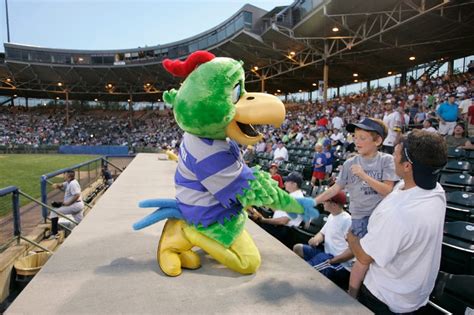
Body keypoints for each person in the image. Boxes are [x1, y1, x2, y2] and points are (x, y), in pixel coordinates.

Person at [347, 130, 447, 314]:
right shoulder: (437, 191)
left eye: (396, 153)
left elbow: (364, 258)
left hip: (384, 298)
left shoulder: (399, 214)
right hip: (414, 296)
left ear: (408, 166)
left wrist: (351, 238)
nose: (392, 156)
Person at [314, 118, 398, 296]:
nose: (356, 142)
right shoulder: (349, 163)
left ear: (378, 141)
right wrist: (314, 201)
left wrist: (363, 175)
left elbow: (388, 190)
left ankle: (362, 295)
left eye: (362, 137)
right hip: (359, 219)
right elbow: (336, 188)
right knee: (361, 261)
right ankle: (353, 296)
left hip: (380, 219)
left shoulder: (387, 160)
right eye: (355, 137)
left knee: (369, 262)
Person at [293, 191, 353, 286]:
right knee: (298, 248)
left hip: (339, 263)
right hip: (326, 253)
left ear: (334, 204)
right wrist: (316, 239)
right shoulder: (331, 215)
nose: (323, 202)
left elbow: (353, 250)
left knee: (305, 269)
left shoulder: (347, 220)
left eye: (326, 200)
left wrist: (334, 261)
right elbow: (322, 233)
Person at [249, 172, 305, 248]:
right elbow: (279, 211)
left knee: (255, 226)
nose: (285, 183)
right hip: (278, 227)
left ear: (294, 184)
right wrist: (265, 203)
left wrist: (263, 220)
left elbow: (283, 221)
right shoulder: (292, 196)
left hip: (284, 232)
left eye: (287, 182)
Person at [49, 170, 84, 238]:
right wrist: (57, 185)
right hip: (77, 205)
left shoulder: (73, 184)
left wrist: (67, 203)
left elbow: (77, 195)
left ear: (68, 176)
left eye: (64, 174)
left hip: (74, 205)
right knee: (80, 222)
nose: (63, 175)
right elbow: (62, 185)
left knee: (54, 211)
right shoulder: (69, 182)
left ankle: (54, 233)